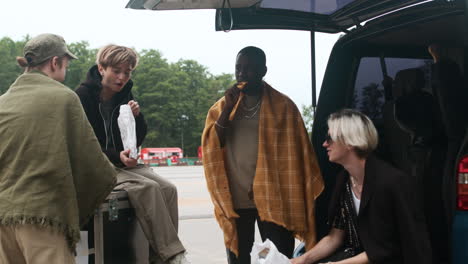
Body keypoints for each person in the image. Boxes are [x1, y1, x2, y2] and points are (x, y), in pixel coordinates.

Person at [0, 33, 117, 264]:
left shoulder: (3, 101)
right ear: (55, 62)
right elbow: (94, 167)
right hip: (44, 219)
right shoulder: (64, 98)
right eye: (66, 63)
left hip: (3, 218)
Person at [201, 46, 324, 263]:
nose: (242, 74)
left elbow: (299, 156)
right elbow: (213, 144)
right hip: (236, 199)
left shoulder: (284, 107)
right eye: (238, 68)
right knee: (239, 259)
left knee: (279, 256)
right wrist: (228, 108)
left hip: (274, 196)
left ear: (263, 71)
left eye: (249, 69)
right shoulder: (222, 107)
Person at [75, 44, 188, 264]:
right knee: (149, 188)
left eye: (127, 72)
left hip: (123, 163)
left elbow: (137, 137)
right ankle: (173, 254)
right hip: (98, 165)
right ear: (101, 69)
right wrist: (119, 157)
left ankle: (159, 256)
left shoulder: (124, 94)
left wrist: (137, 117)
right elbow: (85, 146)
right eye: (116, 71)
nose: (122, 78)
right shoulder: (82, 97)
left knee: (169, 189)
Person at [291, 109, 432, 264]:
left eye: (330, 138)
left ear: (350, 141)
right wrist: (302, 259)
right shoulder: (344, 181)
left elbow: (385, 250)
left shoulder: (391, 182)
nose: (325, 144)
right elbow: (335, 237)